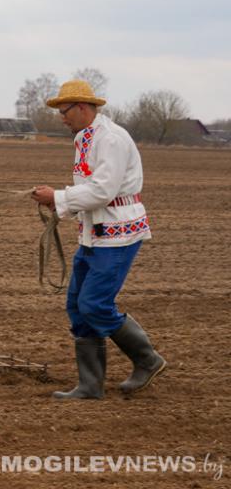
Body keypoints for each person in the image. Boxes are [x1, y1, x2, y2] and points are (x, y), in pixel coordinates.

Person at [31, 79, 166, 399]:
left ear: (82, 107)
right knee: (78, 307)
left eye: (64, 111)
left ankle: (147, 360)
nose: (61, 117)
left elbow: (103, 191)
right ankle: (90, 386)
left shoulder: (112, 139)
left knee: (94, 304)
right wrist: (57, 200)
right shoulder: (85, 138)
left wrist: (60, 197)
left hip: (118, 234)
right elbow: (91, 192)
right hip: (94, 233)